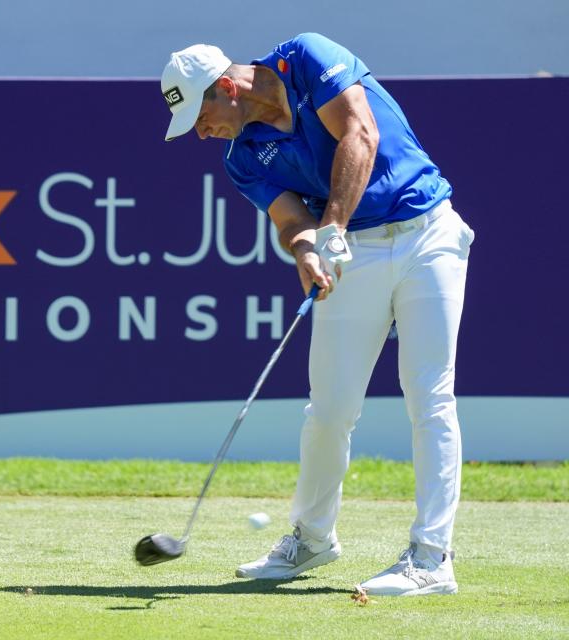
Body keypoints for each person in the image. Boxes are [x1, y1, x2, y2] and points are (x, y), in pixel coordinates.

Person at [160, 33, 474, 596]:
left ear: (227, 87)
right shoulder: (241, 158)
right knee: (329, 409)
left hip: (428, 233)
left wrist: (328, 229)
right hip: (352, 250)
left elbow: (361, 133)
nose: (202, 135)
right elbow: (287, 219)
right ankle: (312, 538)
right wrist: (307, 249)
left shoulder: (306, 57)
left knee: (429, 395)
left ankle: (431, 558)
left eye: (202, 118)